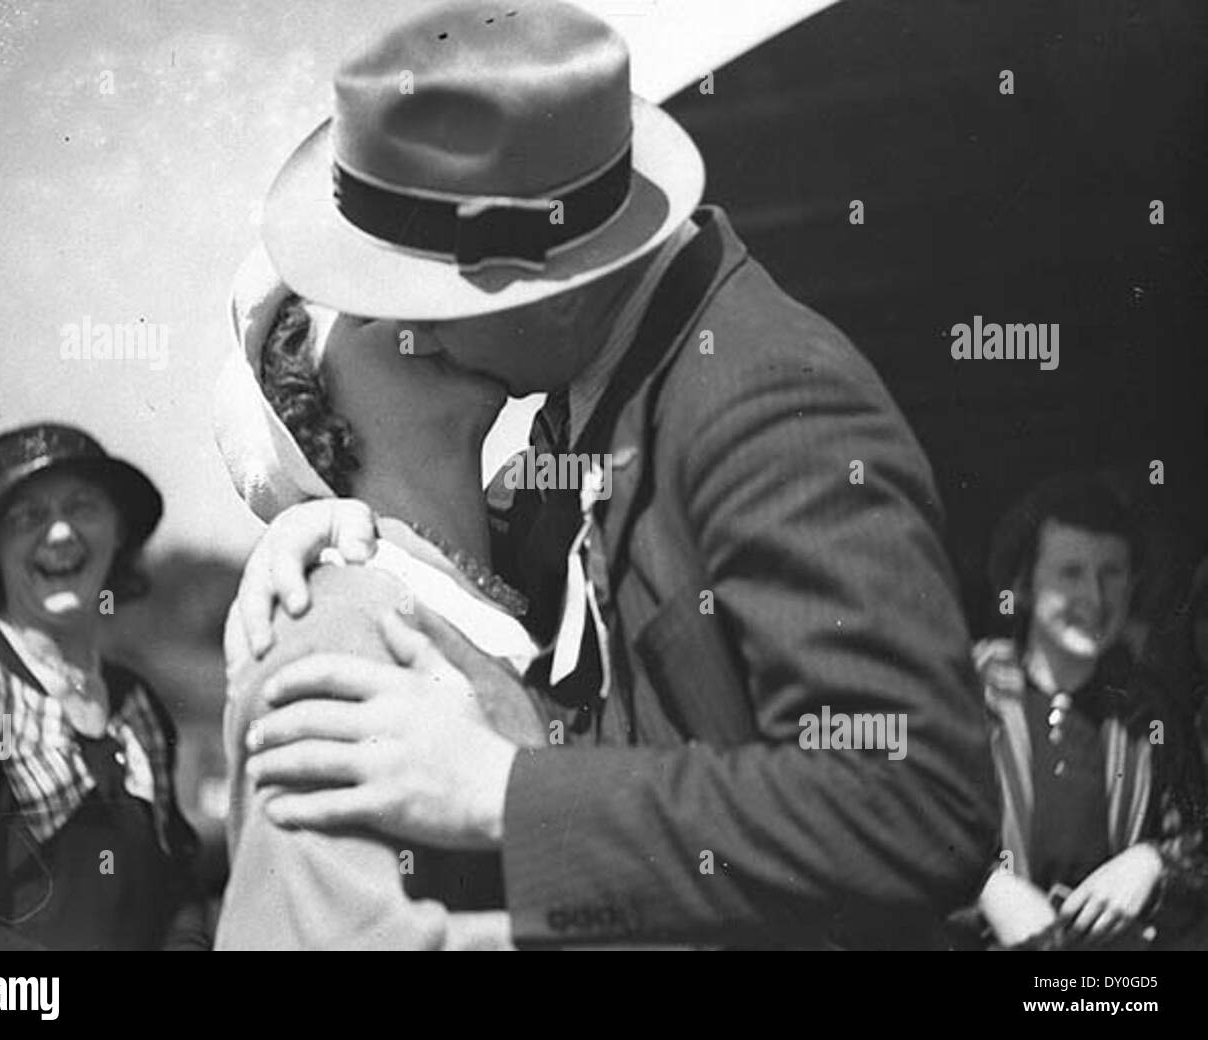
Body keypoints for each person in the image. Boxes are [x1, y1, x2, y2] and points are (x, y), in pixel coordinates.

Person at [223, 0, 999, 948]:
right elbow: (469, 564)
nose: (424, 335)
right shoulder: (592, 392)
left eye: (418, 295)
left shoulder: (765, 401)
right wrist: (323, 523)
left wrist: (509, 789)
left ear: (542, 282)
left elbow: (918, 800)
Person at [212, 254, 548, 949]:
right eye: (369, 307)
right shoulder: (330, 619)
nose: (429, 315)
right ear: (305, 402)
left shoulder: (529, 584)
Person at [0, 423, 210, 950]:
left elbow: (180, 885)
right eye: (29, 517)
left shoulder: (137, 703)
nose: (61, 533)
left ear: (119, 535)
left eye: (83, 507)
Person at [962, 474, 1207, 950]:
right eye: (1070, 572)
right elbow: (896, 835)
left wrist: (1153, 862)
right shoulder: (965, 697)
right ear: (1025, 584)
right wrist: (986, 889)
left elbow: (1200, 834)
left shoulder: (1148, 712)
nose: (1095, 598)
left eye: (1112, 573)